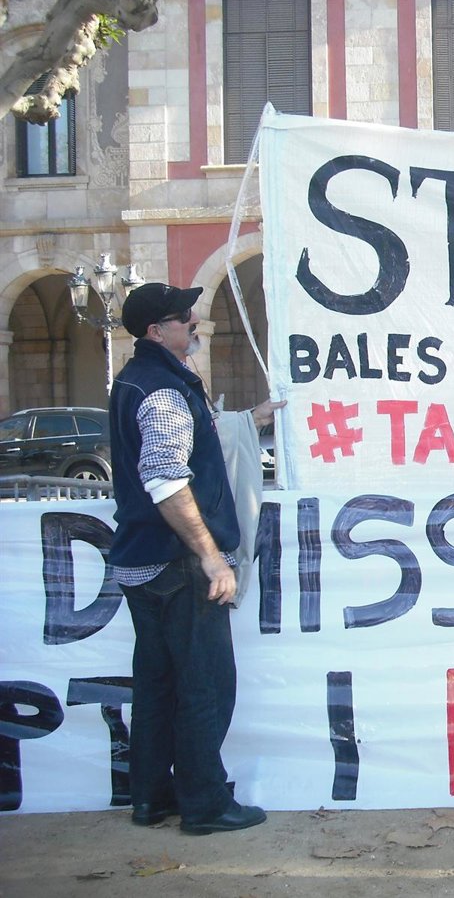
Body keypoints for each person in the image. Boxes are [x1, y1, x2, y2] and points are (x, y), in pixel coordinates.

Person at [109, 281, 284, 834]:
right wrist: (210, 556)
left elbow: (187, 446)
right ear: (156, 331)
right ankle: (205, 803)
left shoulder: (136, 380)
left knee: (157, 684)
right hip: (179, 563)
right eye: (183, 318)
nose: (193, 323)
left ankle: (150, 797)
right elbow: (165, 479)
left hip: (143, 561)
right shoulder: (163, 390)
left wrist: (251, 419)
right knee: (205, 684)